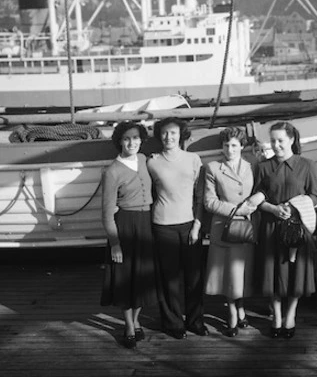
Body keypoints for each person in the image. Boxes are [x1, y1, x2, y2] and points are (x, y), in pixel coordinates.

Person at [252, 121, 317, 339]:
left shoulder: (306, 165)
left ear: (291, 140)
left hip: (297, 228)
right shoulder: (263, 167)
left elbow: (315, 195)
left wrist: (294, 206)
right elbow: (256, 199)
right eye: (273, 141)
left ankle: (290, 315)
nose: (276, 145)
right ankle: (277, 316)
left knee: (296, 274)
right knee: (273, 273)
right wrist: (273, 208)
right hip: (272, 227)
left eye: (281, 140)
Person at [147, 117, 206, 339]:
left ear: (181, 134)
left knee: (194, 278)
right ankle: (172, 323)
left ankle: (195, 321)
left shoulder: (193, 159)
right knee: (169, 279)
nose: (168, 137)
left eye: (173, 133)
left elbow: (200, 196)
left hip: (190, 225)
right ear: (159, 136)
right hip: (163, 226)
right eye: (164, 133)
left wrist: (197, 225)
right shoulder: (152, 162)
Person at [100, 121, 156, 349]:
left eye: (135, 138)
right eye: (126, 139)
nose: (131, 142)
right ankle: (129, 326)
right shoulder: (112, 172)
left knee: (142, 275)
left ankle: (135, 319)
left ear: (141, 140)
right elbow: (106, 213)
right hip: (125, 226)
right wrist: (115, 243)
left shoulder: (143, 159)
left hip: (145, 224)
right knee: (125, 278)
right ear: (119, 142)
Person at [203, 127, 259, 337]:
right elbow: (209, 201)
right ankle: (233, 314)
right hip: (225, 228)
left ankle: (241, 309)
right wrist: (236, 210)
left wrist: (250, 207)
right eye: (226, 145)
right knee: (229, 276)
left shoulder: (252, 165)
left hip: (246, 228)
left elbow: (261, 190)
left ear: (242, 146)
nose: (230, 149)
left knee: (242, 273)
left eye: (234, 145)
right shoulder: (213, 168)